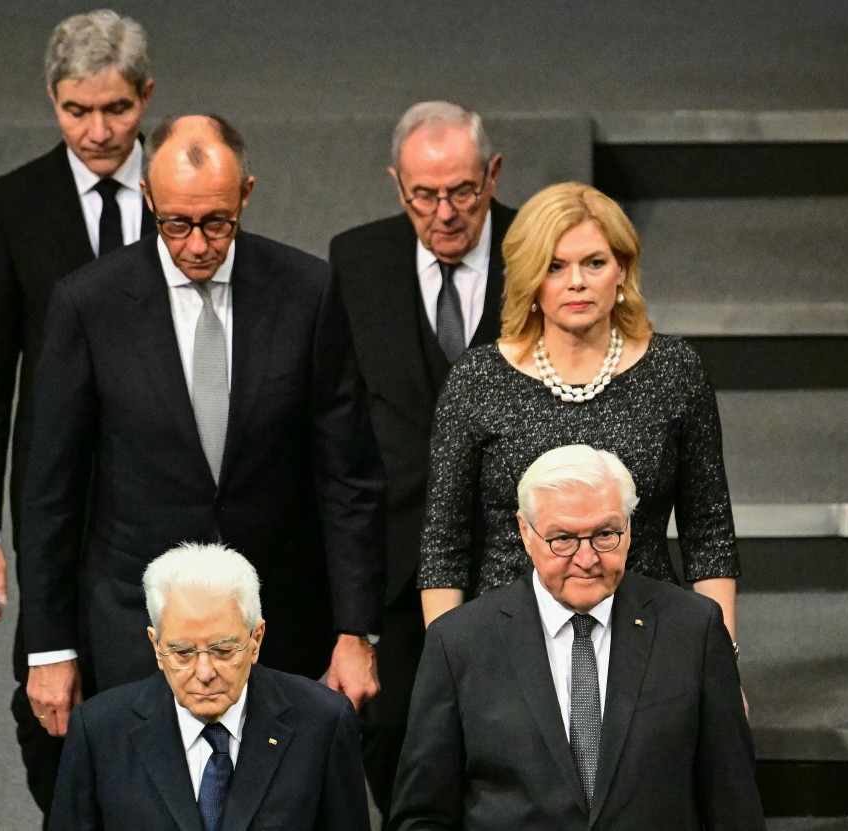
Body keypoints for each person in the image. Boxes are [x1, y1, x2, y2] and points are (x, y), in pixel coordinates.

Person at [20, 114, 387, 745]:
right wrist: (48, 647)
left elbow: (348, 474)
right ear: (148, 201)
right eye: (176, 224)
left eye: (217, 222)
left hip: (280, 623)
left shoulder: (308, 292)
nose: (196, 244)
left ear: (246, 194)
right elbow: (51, 489)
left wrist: (356, 631)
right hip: (139, 626)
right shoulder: (89, 304)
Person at [0, 9, 154, 820]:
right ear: (51, 100)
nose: (97, 131)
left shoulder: (187, 180)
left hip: (172, 482)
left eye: (116, 109)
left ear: (147, 96)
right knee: (52, 698)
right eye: (77, 110)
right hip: (57, 496)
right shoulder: (13, 203)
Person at [418, 182, 741, 653]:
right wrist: (447, 669)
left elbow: (709, 531)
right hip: (508, 644)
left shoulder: (674, 370)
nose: (576, 282)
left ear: (622, 271)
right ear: (529, 277)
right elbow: (443, 546)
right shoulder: (477, 377)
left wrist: (722, 660)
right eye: (554, 266)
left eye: (594, 263)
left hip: (646, 635)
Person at [390, 445, 764, 830]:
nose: (587, 559)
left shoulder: (693, 629)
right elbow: (422, 815)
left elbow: (733, 807)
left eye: (605, 534)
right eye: (563, 539)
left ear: (629, 527)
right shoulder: (460, 642)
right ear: (525, 532)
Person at [329, 100, 515, 818]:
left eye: (463, 191)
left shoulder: (541, 245)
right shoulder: (356, 258)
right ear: (396, 185)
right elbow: (339, 426)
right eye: (423, 195)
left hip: (516, 553)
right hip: (398, 561)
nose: (444, 212)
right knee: (396, 745)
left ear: (492, 175)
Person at [50, 543, 371, 830]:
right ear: (156, 646)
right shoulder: (100, 731)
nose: (204, 672)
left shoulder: (322, 722)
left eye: (223, 650)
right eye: (183, 652)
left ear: (256, 639)